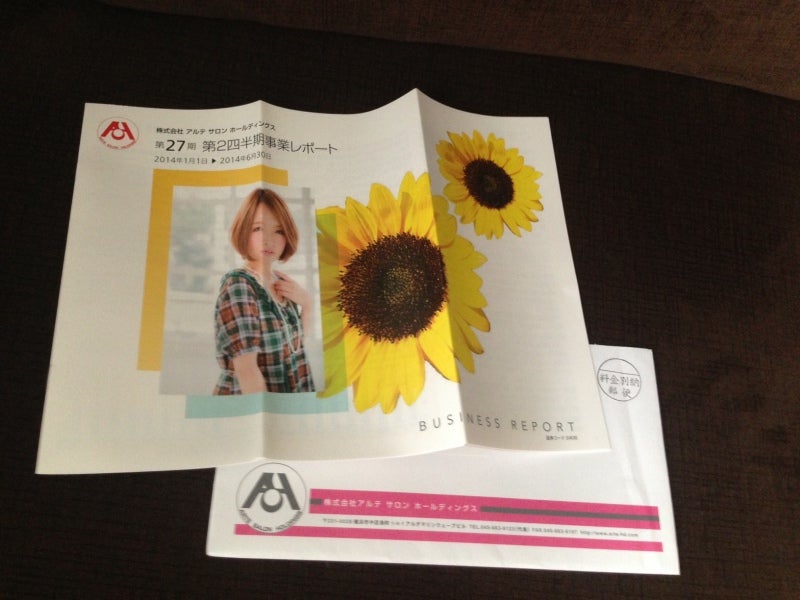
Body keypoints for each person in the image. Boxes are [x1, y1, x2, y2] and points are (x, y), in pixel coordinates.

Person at [213, 188, 315, 394]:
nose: (268, 240)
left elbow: (294, 347)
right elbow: (246, 370)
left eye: (278, 231)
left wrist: (307, 304)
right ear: (243, 231)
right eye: (258, 228)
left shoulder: (282, 282)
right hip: (248, 401)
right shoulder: (239, 285)